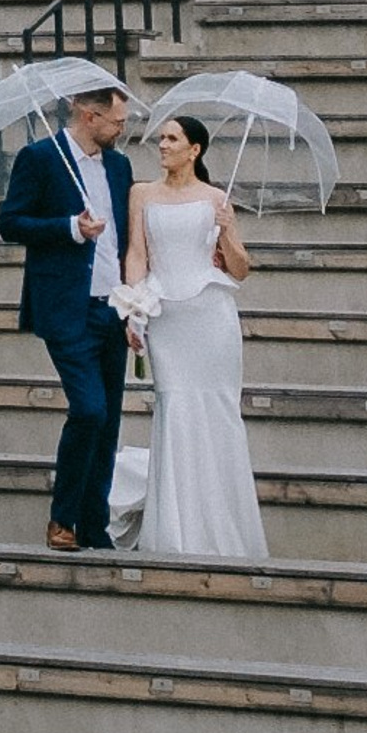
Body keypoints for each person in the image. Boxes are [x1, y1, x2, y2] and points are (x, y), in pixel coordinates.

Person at [120, 111, 265, 561]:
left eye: (172, 139)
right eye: (160, 138)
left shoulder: (217, 198)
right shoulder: (141, 193)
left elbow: (239, 270)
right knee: (174, 408)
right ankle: (176, 531)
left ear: (194, 149)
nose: (162, 145)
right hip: (167, 316)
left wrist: (229, 231)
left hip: (211, 315)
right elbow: (137, 253)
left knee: (217, 412)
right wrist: (134, 308)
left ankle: (222, 529)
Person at [0, 81, 133, 554]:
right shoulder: (40, 158)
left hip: (114, 307)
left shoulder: (119, 165)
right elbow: (10, 223)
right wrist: (70, 228)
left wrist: (135, 301)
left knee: (109, 421)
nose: (123, 129)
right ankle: (63, 519)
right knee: (89, 409)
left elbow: (125, 237)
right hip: (67, 307)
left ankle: (94, 525)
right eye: (117, 121)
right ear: (88, 115)